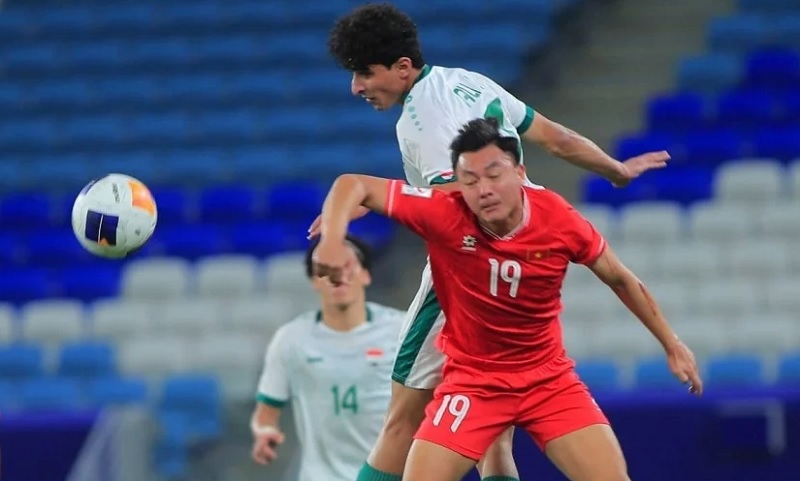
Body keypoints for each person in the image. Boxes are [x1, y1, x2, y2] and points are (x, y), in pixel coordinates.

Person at [319, 4, 671, 481]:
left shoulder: (421, 117)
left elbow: (458, 203)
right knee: (495, 432)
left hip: (467, 273)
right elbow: (556, 137)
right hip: (521, 255)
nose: (356, 87)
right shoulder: (469, 81)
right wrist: (616, 170)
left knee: (403, 421)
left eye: (364, 73)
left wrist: (379, 200)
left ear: (402, 68)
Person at [250, 234, 405, 481]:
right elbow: (266, 412)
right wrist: (265, 431)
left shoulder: (402, 330)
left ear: (366, 274)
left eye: (346, 266)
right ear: (314, 281)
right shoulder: (292, 338)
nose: (337, 276)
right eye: (325, 269)